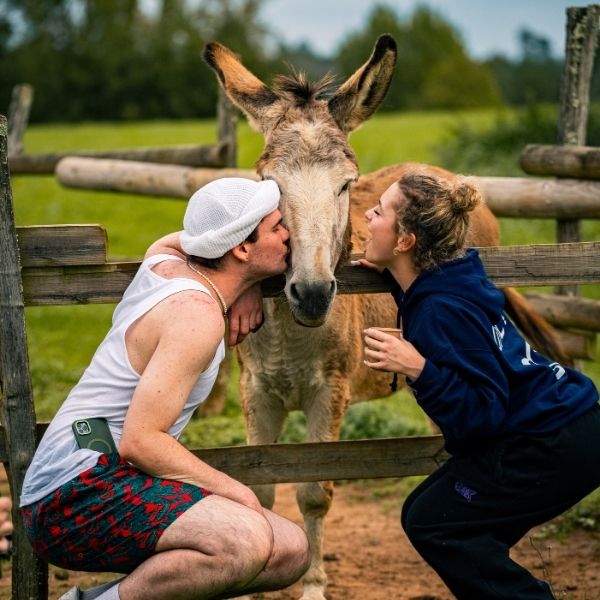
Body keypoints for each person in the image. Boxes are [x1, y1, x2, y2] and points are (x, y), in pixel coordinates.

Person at [19, 177, 310, 600]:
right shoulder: (196, 315)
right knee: (244, 540)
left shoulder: (163, 264)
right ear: (242, 249)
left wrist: (246, 284)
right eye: (276, 226)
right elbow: (140, 441)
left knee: (289, 550)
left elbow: (178, 240)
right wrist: (236, 491)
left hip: (101, 467)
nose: (288, 234)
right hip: (71, 493)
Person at [355, 167, 600, 600]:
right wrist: (391, 273)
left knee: (436, 523)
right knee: (429, 512)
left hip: (550, 445)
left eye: (378, 212)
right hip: (570, 423)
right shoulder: (452, 277)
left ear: (406, 241)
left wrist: (419, 369)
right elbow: (432, 302)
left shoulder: (440, 310)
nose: (367, 218)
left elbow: (481, 417)